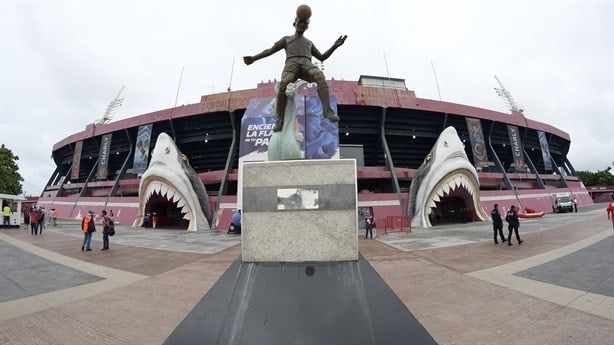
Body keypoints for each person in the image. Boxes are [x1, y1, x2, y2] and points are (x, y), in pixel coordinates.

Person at [243, 4, 347, 132]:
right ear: (295, 23)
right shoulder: (286, 39)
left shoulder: (308, 43)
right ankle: (279, 119)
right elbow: (269, 51)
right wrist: (253, 58)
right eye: (300, 22)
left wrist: (335, 46)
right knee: (284, 83)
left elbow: (322, 57)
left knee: (320, 75)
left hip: (306, 64)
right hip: (291, 64)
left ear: (307, 26)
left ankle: (328, 111)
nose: (302, 25)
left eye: (304, 23)